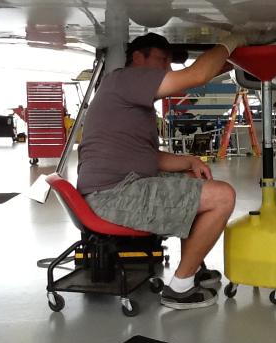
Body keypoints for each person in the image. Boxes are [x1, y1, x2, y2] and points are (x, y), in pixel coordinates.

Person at [77, 32, 246, 310]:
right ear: (137, 57)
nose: (167, 68)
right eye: (162, 60)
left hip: (117, 187)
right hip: (114, 196)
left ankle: (192, 266)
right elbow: (197, 75)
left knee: (194, 181)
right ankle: (180, 288)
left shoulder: (123, 90)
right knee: (222, 197)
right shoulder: (127, 78)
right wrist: (235, 38)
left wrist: (189, 161)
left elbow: (146, 157)